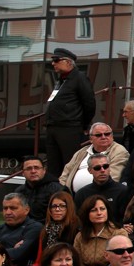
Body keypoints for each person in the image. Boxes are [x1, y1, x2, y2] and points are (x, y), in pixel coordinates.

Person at [43, 47, 96, 178]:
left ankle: (68, 193)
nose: (53, 63)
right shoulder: (61, 80)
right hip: (53, 126)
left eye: (56, 60)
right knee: (53, 164)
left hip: (69, 127)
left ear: (68, 62)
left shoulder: (79, 78)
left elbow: (89, 103)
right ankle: (54, 194)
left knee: (69, 163)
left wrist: (83, 124)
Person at [61, 122, 130, 191]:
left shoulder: (119, 151)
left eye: (107, 134)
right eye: (98, 135)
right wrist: (62, 191)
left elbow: (113, 177)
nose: (103, 137)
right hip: (72, 196)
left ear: (112, 136)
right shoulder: (82, 152)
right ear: (91, 139)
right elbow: (66, 173)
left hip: (100, 194)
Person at [73, 195, 124, 266]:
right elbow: (78, 264)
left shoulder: (119, 233)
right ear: (87, 214)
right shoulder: (80, 236)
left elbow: (121, 262)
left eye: (102, 209)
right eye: (94, 210)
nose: (99, 213)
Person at [73, 151, 129, 225]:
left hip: (117, 233)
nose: (102, 170)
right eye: (97, 168)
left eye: (105, 166)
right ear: (90, 170)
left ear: (109, 168)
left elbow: (126, 220)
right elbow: (79, 220)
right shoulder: (81, 194)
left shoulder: (123, 191)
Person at [0, 193, 43, 266]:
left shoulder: (35, 228)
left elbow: (18, 254)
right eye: (5, 208)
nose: (8, 212)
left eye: (13, 208)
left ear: (26, 210)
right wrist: (12, 249)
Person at [33, 191, 80, 266]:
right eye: (54, 206)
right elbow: (40, 257)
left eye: (62, 206)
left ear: (69, 207)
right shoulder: (46, 229)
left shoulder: (76, 228)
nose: (57, 209)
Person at [15, 155, 64, 223]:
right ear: (23, 173)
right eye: (29, 168)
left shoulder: (57, 189)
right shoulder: (19, 192)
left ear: (44, 170)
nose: (33, 171)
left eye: (37, 168)